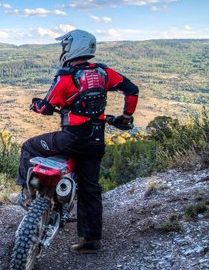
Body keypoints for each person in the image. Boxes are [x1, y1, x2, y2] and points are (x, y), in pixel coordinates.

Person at [13, 29, 138, 254]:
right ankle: (90, 241)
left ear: (72, 47)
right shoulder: (104, 72)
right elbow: (131, 90)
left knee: (29, 146)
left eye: (65, 45)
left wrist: (35, 105)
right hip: (96, 140)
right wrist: (126, 117)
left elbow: (46, 107)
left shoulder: (66, 76)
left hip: (71, 138)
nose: (63, 49)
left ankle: (26, 195)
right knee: (90, 189)